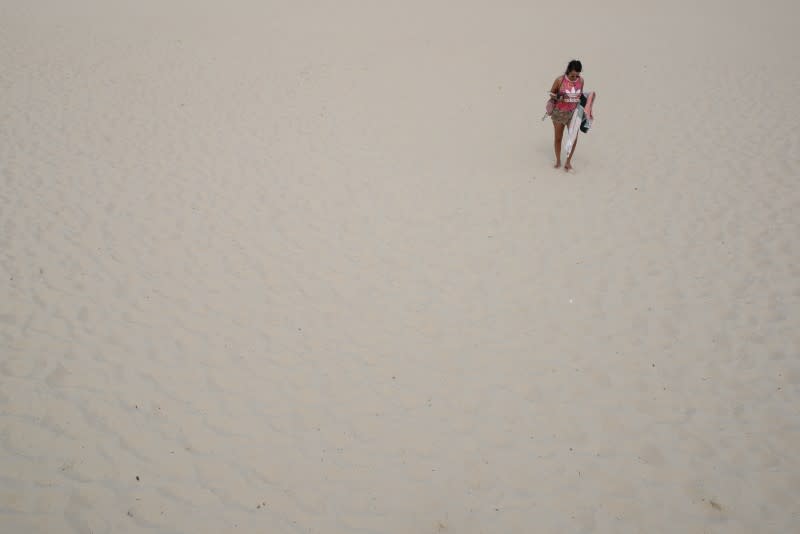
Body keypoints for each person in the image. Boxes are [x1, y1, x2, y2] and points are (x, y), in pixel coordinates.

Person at [548, 60, 584, 171]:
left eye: (577, 75)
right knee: (558, 138)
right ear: (568, 71)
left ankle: (568, 162)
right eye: (573, 75)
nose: (575, 78)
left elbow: (580, 94)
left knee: (573, 138)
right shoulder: (559, 80)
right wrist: (560, 97)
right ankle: (558, 160)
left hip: (573, 113)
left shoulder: (581, 81)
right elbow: (552, 93)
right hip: (559, 112)